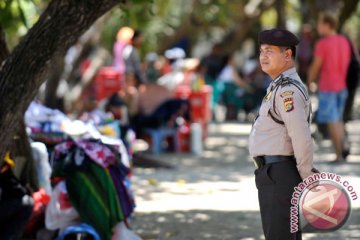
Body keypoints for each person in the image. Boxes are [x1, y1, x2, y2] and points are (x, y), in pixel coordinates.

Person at [249, 28, 317, 239]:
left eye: (270, 51)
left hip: (280, 175)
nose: (263, 56)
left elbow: (301, 137)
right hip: (274, 174)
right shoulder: (278, 87)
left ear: (287, 55)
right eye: (261, 51)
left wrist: (306, 177)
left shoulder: (288, 91)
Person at [307, 12, 351, 163]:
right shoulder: (344, 41)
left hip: (328, 86)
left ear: (327, 25)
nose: (318, 27)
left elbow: (315, 66)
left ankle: (339, 154)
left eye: (320, 24)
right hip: (342, 86)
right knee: (338, 120)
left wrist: (308, 82)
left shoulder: (323, 43)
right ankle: (342, 149)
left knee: (333, 122)